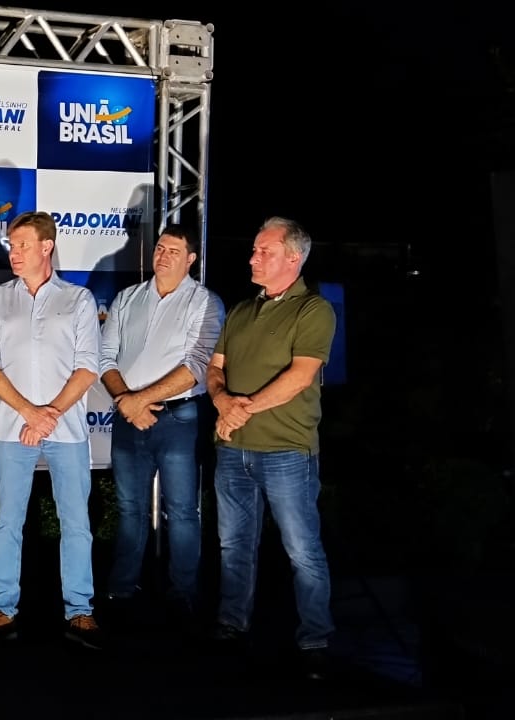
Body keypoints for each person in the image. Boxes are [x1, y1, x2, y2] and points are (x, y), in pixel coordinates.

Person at [208, 216, 337, 680]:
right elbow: (214, 369)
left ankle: (316, 640)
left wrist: (243, 409)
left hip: (285, 449)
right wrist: (223, 400)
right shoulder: (241, 310)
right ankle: (231, 624)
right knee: (234, 545)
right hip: (232, 449)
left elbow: (300, 377)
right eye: (255, 250)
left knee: (302, 549)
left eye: (264, 251)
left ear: (293, 257)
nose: (252, 257)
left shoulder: (314, 310)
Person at [0, 211, 103, 649]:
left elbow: (89, 367)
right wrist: (30, 412)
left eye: (23, 245)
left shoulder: (79, 299)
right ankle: (3, 606)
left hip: (66, 430)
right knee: (7, 522)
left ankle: (80, 610)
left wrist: (50, 413)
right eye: (12, 246)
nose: (14, 253)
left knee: (76, 522)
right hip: (12, 427)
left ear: (46, 247)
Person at [97, 225, 224, 619]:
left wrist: (139, 400)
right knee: (130, 507)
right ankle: (122, 589)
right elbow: (105, 358)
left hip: (179, 418)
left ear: (191, 259)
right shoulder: (127, 298)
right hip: (127, 417)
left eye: (174, 250)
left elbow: (196, 367)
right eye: (159, 248)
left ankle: (182, 592)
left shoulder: (205, 303)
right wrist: (125, 401)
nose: (163, 255)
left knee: (184, 510)